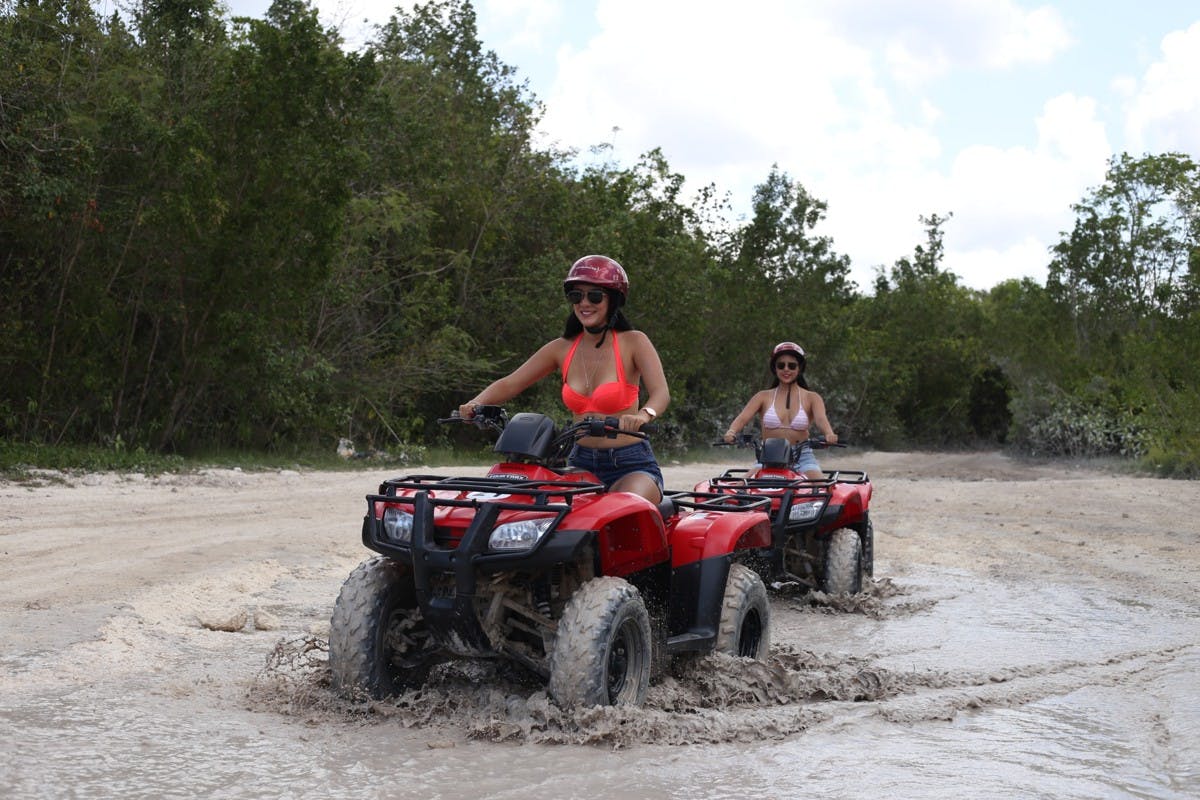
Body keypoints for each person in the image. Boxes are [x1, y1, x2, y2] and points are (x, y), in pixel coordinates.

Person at [458, 255, 669, 504]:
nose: (584, 303)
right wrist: (475, 403)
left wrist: (642, 416)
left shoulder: (634, 341)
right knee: (546, 512)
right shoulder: (561, 348)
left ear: (613, 300)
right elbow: (511, 383)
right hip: (579, 461)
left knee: (623, 507)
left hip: (630, 463)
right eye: (576, 296)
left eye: (594, 296)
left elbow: (661, 393)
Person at [722, 341, 838, 479]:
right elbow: (742, 418)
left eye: (792, 365)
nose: (786, 369)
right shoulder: (762, 396)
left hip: (802, 456)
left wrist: (829, 434)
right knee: (743, 486)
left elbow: (820, 419)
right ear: (775, 368)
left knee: (822, 487)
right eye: (781, 365)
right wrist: (731, 432)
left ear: (800, 368)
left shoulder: (812, 397)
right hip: (768, 456)